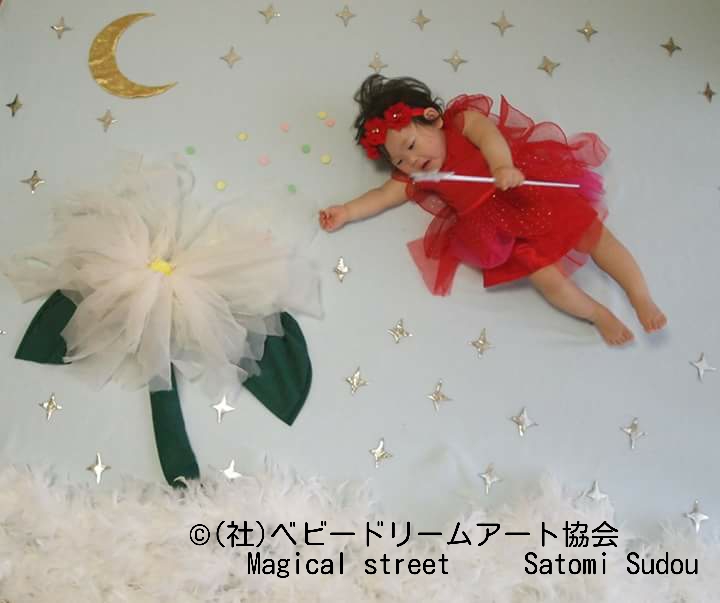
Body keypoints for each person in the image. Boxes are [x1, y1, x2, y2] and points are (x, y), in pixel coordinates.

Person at [319, 74, 666, 345]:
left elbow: (490, 137)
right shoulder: (417, 177)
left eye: (411, 145)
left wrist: (501, 166)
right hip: (496, 230)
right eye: (400, 160)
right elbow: (382, 195)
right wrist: (346, 211)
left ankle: (640, 295)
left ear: (433, 119)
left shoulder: (462, 123)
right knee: (548, 280)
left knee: (597, 237)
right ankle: (597, 314)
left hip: (523, 191)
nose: (411, 161)